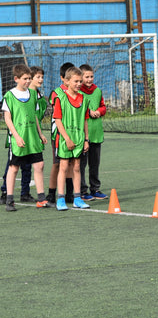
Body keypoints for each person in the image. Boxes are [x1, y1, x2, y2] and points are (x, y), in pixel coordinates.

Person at [1, 64, 50, 211]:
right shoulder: (9, 96)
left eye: (29, 78)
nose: (28, 81)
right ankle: (9, 200)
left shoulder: (33, 94)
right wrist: (16, 136)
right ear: (16, 79)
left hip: (33, 137)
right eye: (25, 79)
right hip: (19, 138)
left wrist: (40, 133)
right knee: (14, 167)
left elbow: (35, 116)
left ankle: (41, 198)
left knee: (39, 165)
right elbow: (7, 119)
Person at [53, 66, 90, 211]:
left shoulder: (84, 99)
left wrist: (86, 139)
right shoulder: (60, 98)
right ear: (67, 81)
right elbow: (58, 120)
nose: (79, 84)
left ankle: (77, 198)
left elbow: (85, 120)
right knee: (63, 167)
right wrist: (67, 139)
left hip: (79, 139)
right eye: (76, 81)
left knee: (76, 168)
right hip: (65, 139)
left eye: (80, 81)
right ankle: (60, 199)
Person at [46, 62, 74, 205]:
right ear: (63, 78)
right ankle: (51, 193)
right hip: (58, 134)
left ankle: (70, 193)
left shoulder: (77, 93)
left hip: (72, 133)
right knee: (57, 164)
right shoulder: (56, 93)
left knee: (70, 164)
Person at [79, 64, 108, 200]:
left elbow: (103, 106)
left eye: (91, 76)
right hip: (84, 135)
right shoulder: (78, 92)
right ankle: (82, 191)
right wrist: (88, 112)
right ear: (81, 77)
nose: (90, 79)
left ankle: (95, 188)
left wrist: (99, 112)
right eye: (87, 77)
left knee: (94, 164)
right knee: (82, 165)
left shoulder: (98, 90)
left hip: (97, 134)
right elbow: (77, 109)